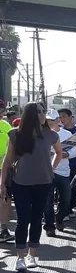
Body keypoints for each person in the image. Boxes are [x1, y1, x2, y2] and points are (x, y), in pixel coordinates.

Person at [0, 102, 63, 272]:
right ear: (29, 116)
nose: (42, 115)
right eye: (38, 113)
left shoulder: (51, 135)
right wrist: (2, 184)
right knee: (23, 220)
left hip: (44, 183)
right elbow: (7, 162)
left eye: (43, 112)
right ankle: (20, 257)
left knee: (36, 219)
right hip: (20, 183)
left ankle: (32, 255)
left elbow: (59, 153)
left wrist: (52, 166)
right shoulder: (15, 134)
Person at [43, 109, 75, 237]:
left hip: (63, 172)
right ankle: (49, 226)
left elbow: (74, 151)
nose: (50, 122)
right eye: (48, 120)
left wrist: (64, 154)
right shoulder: (42, 134)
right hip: (46, 172)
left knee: (66, 200)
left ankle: (59, 219)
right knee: (47, 201)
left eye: (52, 120)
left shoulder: (66, 134)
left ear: (58, 120)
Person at [58, 108, 76, 220]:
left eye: (64, 117)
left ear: (70, 117)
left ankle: (70, 207)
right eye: (60, 117)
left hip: (75, 163)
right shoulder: (58, 131)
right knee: (63, 190)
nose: (62, 119)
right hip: (62, 165)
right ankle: (64, 211)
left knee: (74, 188)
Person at [0, 102, 13, 243]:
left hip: (4, 168)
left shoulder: (6, 126)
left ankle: (3, 229)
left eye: (2, 111)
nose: (1, 114)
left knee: (5, 198)